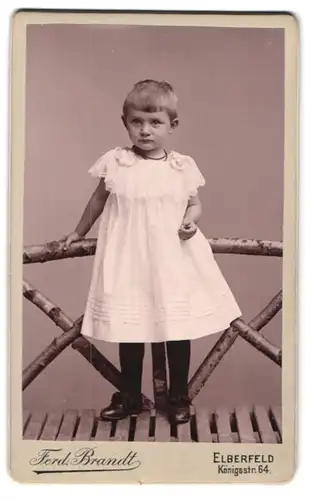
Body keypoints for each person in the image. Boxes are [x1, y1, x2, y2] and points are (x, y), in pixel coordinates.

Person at [61, 79, 241, 425]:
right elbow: (97, 201)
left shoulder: (181, 166)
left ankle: (178, 398)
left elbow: (195, 204)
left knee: (175, 328)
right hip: (128, 258)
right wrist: (76, 232)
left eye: (155, 122)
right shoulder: (117, 162)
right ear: (125, 122)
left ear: (172, 126)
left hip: (170, 260)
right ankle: (129, 396)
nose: (145, 131)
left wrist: (190, 222)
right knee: (130, 329)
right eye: (137, 122)